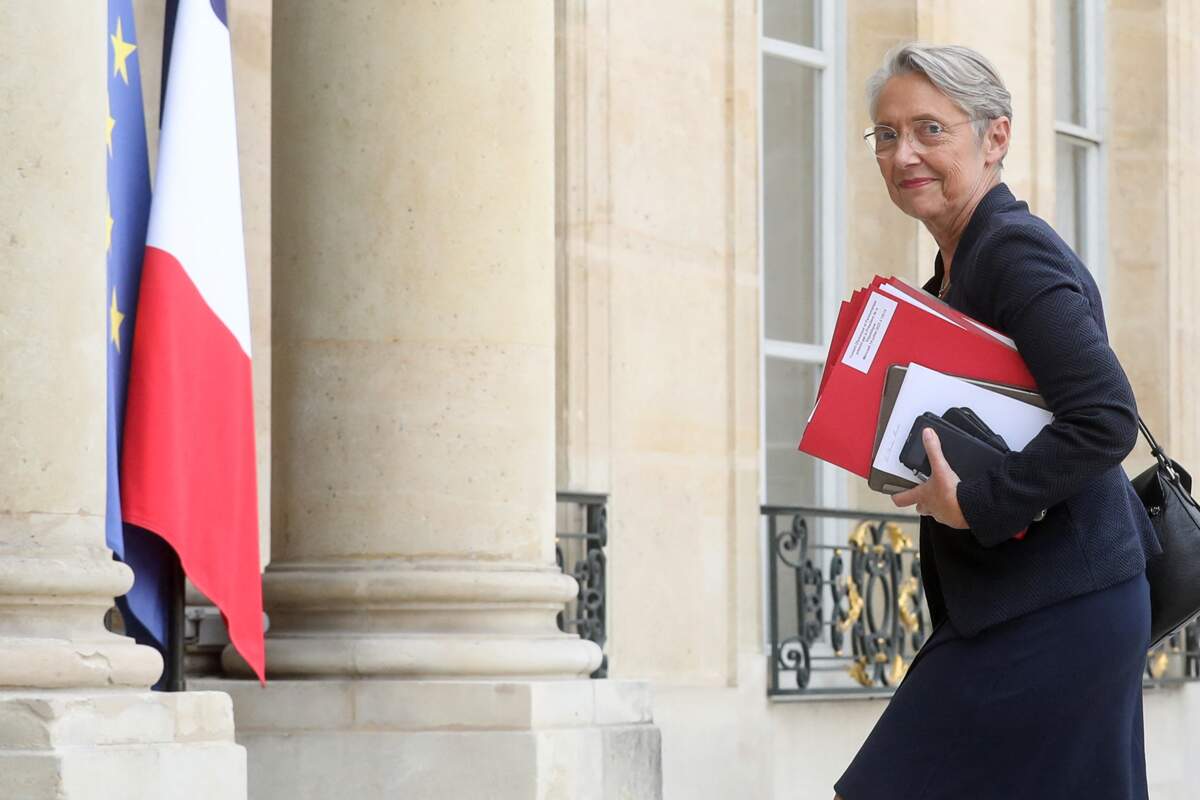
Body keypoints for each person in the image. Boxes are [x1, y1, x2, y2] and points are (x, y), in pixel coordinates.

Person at [832, 43, 1163, 800]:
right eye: (886, 135)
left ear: (996, 138)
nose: (903, 153)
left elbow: (1106, 417)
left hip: (1060, 604)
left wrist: (974, 503)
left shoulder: (1010, 251)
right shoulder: (951, 275)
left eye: (929, 130)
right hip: (1024, 600)